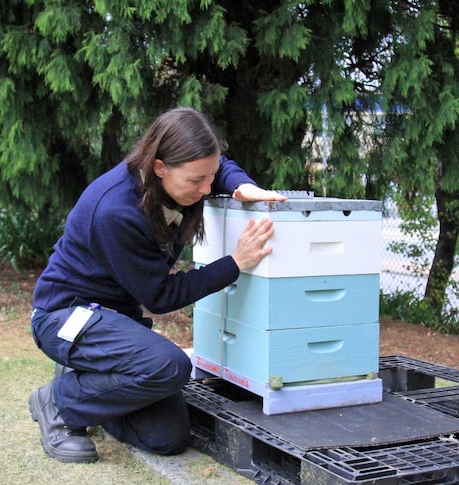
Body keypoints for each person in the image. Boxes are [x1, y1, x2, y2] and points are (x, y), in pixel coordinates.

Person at [28, 107, 287, 463]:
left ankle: (92, 384)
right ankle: (59, 402)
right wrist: (234, 264)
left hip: (115, 320)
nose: (207, 189)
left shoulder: (178, 179)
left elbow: (218, 166)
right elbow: (160, 296)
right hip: (65, 318)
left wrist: (241, 185)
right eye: (196, 181)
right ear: (160, 167)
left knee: (167, 437)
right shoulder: (116, 211)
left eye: (210, 177)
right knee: (169, 366)